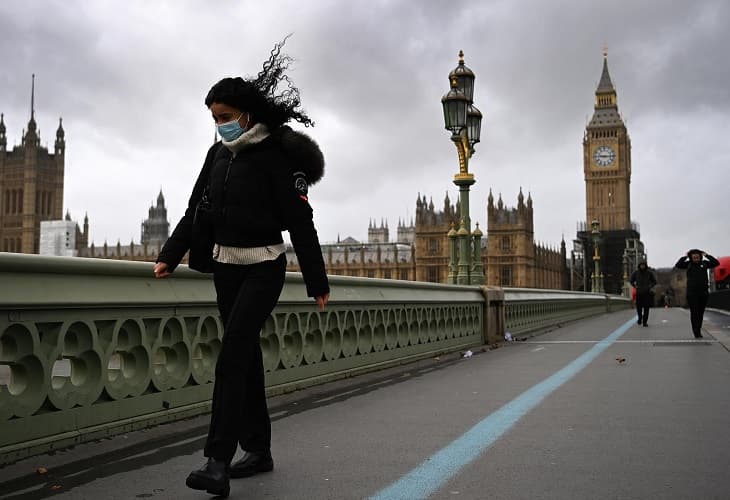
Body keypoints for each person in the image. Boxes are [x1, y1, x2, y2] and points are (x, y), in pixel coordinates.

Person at [154, 39, 330, 498]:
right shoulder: (216, 156)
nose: (220, 127)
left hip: (265, 266)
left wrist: (317, 280)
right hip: (226, 266)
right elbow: (198, 208)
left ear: (247, 115)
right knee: (246, 357)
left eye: (225, 118)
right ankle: (259, 449)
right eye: (214, 119)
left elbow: (300, 221)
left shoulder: (276, 156)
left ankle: (217, 460)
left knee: (232, 352)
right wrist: (171, 253)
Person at [675, 249, 720, 338]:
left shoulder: (705, 264)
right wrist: (685, 256)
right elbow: (678, 264)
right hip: (692, 293)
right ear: (691, 257)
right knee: (694, 312)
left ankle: (698, 328)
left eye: (697, 256)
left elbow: (716, 263)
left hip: (703, 292)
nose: (696, 258)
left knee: (700, 312)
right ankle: (696, 332)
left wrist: (706, 255)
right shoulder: (688, 264)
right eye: (694, 256)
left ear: (700, 256)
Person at [630, 260, 656, 326]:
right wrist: (635, 286)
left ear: (645, 266)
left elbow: (654, 281)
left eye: (643, 265)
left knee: (646, 308)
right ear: (639, 266)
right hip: (639, 293)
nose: (642, 266)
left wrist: (650, 286)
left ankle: (645, 322)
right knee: (639, 307)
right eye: (641, 265)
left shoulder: (649, 273)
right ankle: (640, 317)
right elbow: (631, 281)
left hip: (647, 293)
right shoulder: (636, 273)